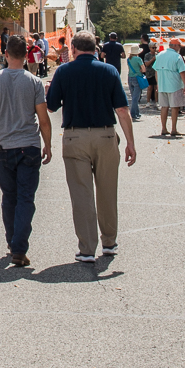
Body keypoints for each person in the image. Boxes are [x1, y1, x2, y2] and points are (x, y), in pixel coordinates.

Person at [47, 32, 137, 263]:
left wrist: (50, 90)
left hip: (75, 136)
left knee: (81, 194)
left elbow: (52, 107)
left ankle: (87, 248)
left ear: (74, 49)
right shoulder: (109, 71)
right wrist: (130, 142)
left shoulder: (64, 71)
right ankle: (109, 241)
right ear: (95, 48)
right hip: (106, 135)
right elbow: (122, 110)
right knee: (107, 191)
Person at [0, 36, 52, 267]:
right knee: (26, 197)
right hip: (29, 145)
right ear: (27, 55)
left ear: (6, 54)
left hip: (4, 146)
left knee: (9, 197)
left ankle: (12, 242)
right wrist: (48, 144)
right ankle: (19, 246)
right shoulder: (35, 82)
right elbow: (43, 119)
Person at [153, 43, 185, 138]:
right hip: (174, 84)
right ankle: (173, 129)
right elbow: (182, 72)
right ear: (176, 46)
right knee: (174, 107)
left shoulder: (159, 55)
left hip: (162, 84)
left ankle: (164, 128)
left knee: (164, 107)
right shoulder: (177, 56)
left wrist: (158, 83)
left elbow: (156, 71)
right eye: (179, 46)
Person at [126, 47, 146, 121]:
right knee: (136, 98)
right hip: (137, 78)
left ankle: (137, 113)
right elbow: (144, 69)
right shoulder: (138, 59)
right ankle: (133, 113)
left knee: (133, 96)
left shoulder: (128, 59)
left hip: (130, 77)